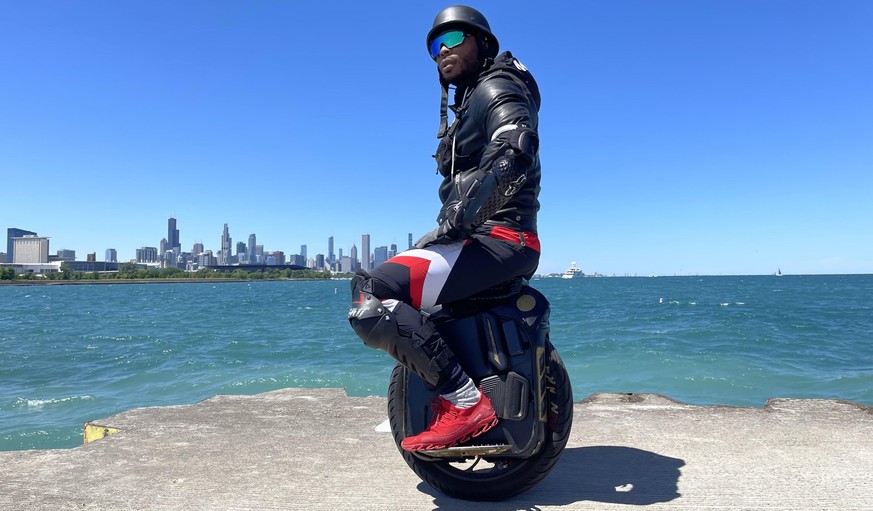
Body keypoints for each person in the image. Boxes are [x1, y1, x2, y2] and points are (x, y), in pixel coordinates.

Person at [348, 5, 542, 452]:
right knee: (404, 306)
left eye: (454, 39)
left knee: (371, 294)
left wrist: (458, 219)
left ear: (483, 43)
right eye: (436, 45)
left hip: (500, 239)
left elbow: (514, 147)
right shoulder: (471, 101)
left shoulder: (496, 87)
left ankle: (464, 403)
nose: (442, 51)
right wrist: (453, 225)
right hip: (489, 240)